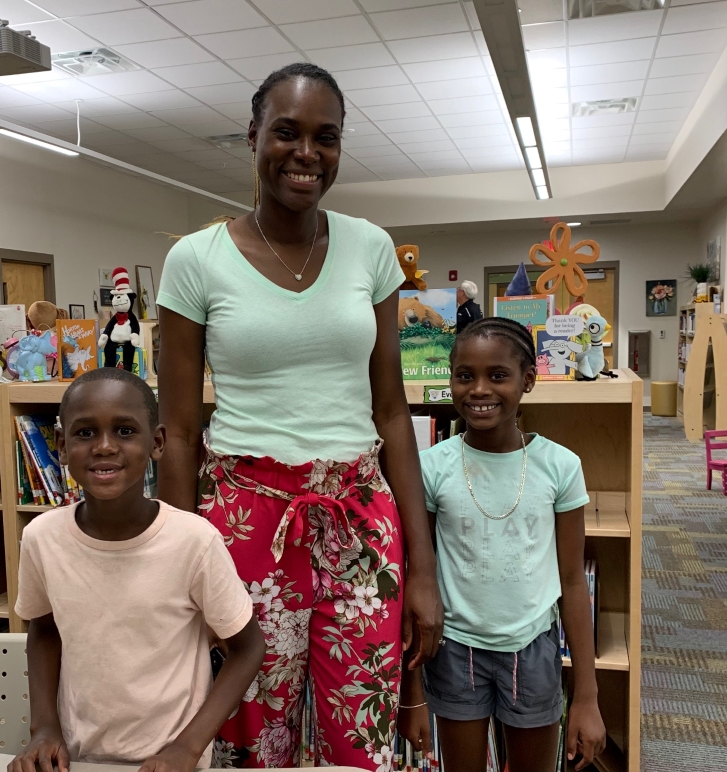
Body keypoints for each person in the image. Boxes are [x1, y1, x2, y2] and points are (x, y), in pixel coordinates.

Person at [155, 63, 444, 769]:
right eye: (286, 133)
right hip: (246, 521)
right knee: (255, 736)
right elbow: (181, 431)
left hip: (358, 518)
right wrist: (174, 564)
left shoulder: (371, 247)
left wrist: (424, 568)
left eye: (326, 137)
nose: (306, 153)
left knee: (363, 738)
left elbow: (391, 410)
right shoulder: (195, 260)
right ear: (253, 136)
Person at [8, 369, 265, 772]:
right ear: (60, 444)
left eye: (125, 431)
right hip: (78, 759)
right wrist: (44, 728)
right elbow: (43, 631)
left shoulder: (194, 541)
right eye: (85, 433)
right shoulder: (42, 538)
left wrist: (188, 748)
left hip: (171, 763)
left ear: (156, 443)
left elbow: (249, 648)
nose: (105, 447)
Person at [401, 318, 606, 772]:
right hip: (454, 649)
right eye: (464, 375)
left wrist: (587, 699)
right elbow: (418, 579)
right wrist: (411, 693)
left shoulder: (561, 466)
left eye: (497, 375)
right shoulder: (432, 467)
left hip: (532, 649)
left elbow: (573, 581)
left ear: (527, 381)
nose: (478, 389)